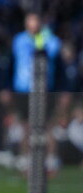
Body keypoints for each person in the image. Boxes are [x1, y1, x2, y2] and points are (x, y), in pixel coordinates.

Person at [10, 11, 61, 170]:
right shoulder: (19, 40)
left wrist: (41, 37)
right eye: (29, 21)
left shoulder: (49, 39)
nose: (32, 24)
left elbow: (51, 53)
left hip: (44, 89)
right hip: (23, 89)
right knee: (25, 125)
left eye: (35, 21)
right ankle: (25, 159)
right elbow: (14, 61)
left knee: (47, 125)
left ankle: (50, 160)